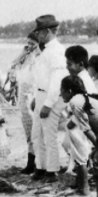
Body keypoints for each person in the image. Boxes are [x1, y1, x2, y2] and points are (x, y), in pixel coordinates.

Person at [30, 15, 69, 182]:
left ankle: (52, 170)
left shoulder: (57, 50)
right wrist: (35, 97)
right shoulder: (46, 49)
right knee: (36, 134)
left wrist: (48, 103)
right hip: (40, 94)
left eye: (39, 32)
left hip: (50, 96)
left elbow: (57, 79)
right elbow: (41, 76)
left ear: (47, 32)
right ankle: (41, 166)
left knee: (49, 135)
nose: (37, 35)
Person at [62, 45, 98, 194]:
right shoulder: (80, 78)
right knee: (69, 147)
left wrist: (73, 121)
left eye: (69, 64)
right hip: (77, 122)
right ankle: (81, 180)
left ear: (80, 64)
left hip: (81, 124)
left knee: (80, 154)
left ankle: (84, 186)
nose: (67, 67)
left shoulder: (84, 81)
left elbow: (87, 106)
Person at [9, 32, 42, 174]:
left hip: (33, 97)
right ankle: (32, 162)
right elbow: (12, 65)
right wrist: (23, 52)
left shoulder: (39, 57)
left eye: (32, 43)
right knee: (28, 131)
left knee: (35, 131)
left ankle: (34, 163)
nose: (29, 46)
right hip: (23, 97)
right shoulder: (26, 57)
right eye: (28, 43)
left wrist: (35, 51)